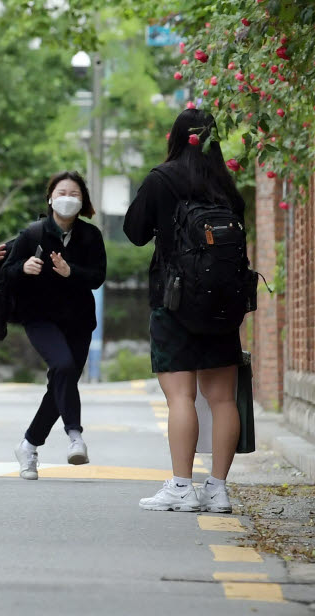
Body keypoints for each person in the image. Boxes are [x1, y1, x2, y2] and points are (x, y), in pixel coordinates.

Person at [125, 109, 246, 513]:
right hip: (223, 303)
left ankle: (181, 486)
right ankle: (218, 489)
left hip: (173, 300)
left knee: (180, 396)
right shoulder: (226, 187)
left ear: (174, 137)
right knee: (222, 398)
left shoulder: (163, 178)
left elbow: (134, 232)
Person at [1, 171, 106, 481]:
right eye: (62, 192)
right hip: (40, 317)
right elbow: (6, 272)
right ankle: (75, 435)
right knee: (62, 366)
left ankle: (28, 446)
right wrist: (23, 267)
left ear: (83, 201)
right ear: (50, 198)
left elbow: (97, 277)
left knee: (60, 382)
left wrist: (69, 271)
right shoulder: (32, 234)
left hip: (79, 320)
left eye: (75, 194)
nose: (68, 198)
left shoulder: (91, 236)